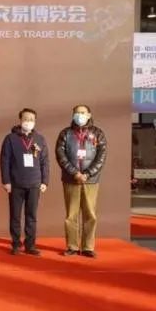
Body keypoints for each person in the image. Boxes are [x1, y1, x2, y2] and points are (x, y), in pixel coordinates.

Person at [55, 105, 107, 258]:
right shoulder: (65, 133)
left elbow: (101, 157)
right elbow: (60, 155)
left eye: (83, 112)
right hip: (71, 180)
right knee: (71, 215)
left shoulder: (98, 133)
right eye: (77, 113)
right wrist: (75, 173)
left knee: (90, 214)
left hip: (91, 180)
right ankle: (72, 246)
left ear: (89, 115)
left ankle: (88, 247)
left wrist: (87, 173)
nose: (80, 115)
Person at [0, 108, 49, 256]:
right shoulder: (10, 138)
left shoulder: (40, 139)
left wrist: (45, 181)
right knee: (15, 215)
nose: (28, 122)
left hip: (34, 183)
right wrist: (6, 181)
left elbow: (45, 162)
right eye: (26, 119)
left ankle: (30, 245)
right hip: (16, 183)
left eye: (31, 119)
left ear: (35, 121)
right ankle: (16, 244)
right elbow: (5, 161)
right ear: (20, 120)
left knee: (31, 216)